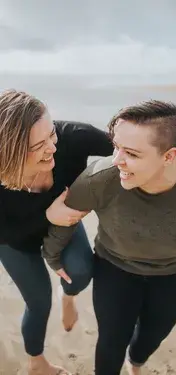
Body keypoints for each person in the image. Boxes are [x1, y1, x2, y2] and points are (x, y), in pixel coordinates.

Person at [43, 100, 176, 375]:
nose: (117, 161)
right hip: (114, 269)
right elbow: (68, 216)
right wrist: (53, 257)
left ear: (170, 155)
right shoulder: (100, 178)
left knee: (151, 337)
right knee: (111, 341)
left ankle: (135, 364)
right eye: (116, 147)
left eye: (132, 154)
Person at [0, 89, 114, 375]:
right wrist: (48, 213)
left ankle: (69, 297)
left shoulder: (73, 137)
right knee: (38, 302)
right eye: (38, 145)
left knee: (81, 272)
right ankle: (37, 364)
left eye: (51, 134)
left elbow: (142, 146)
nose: (52, 147)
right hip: (12, 239)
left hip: (62, 226)